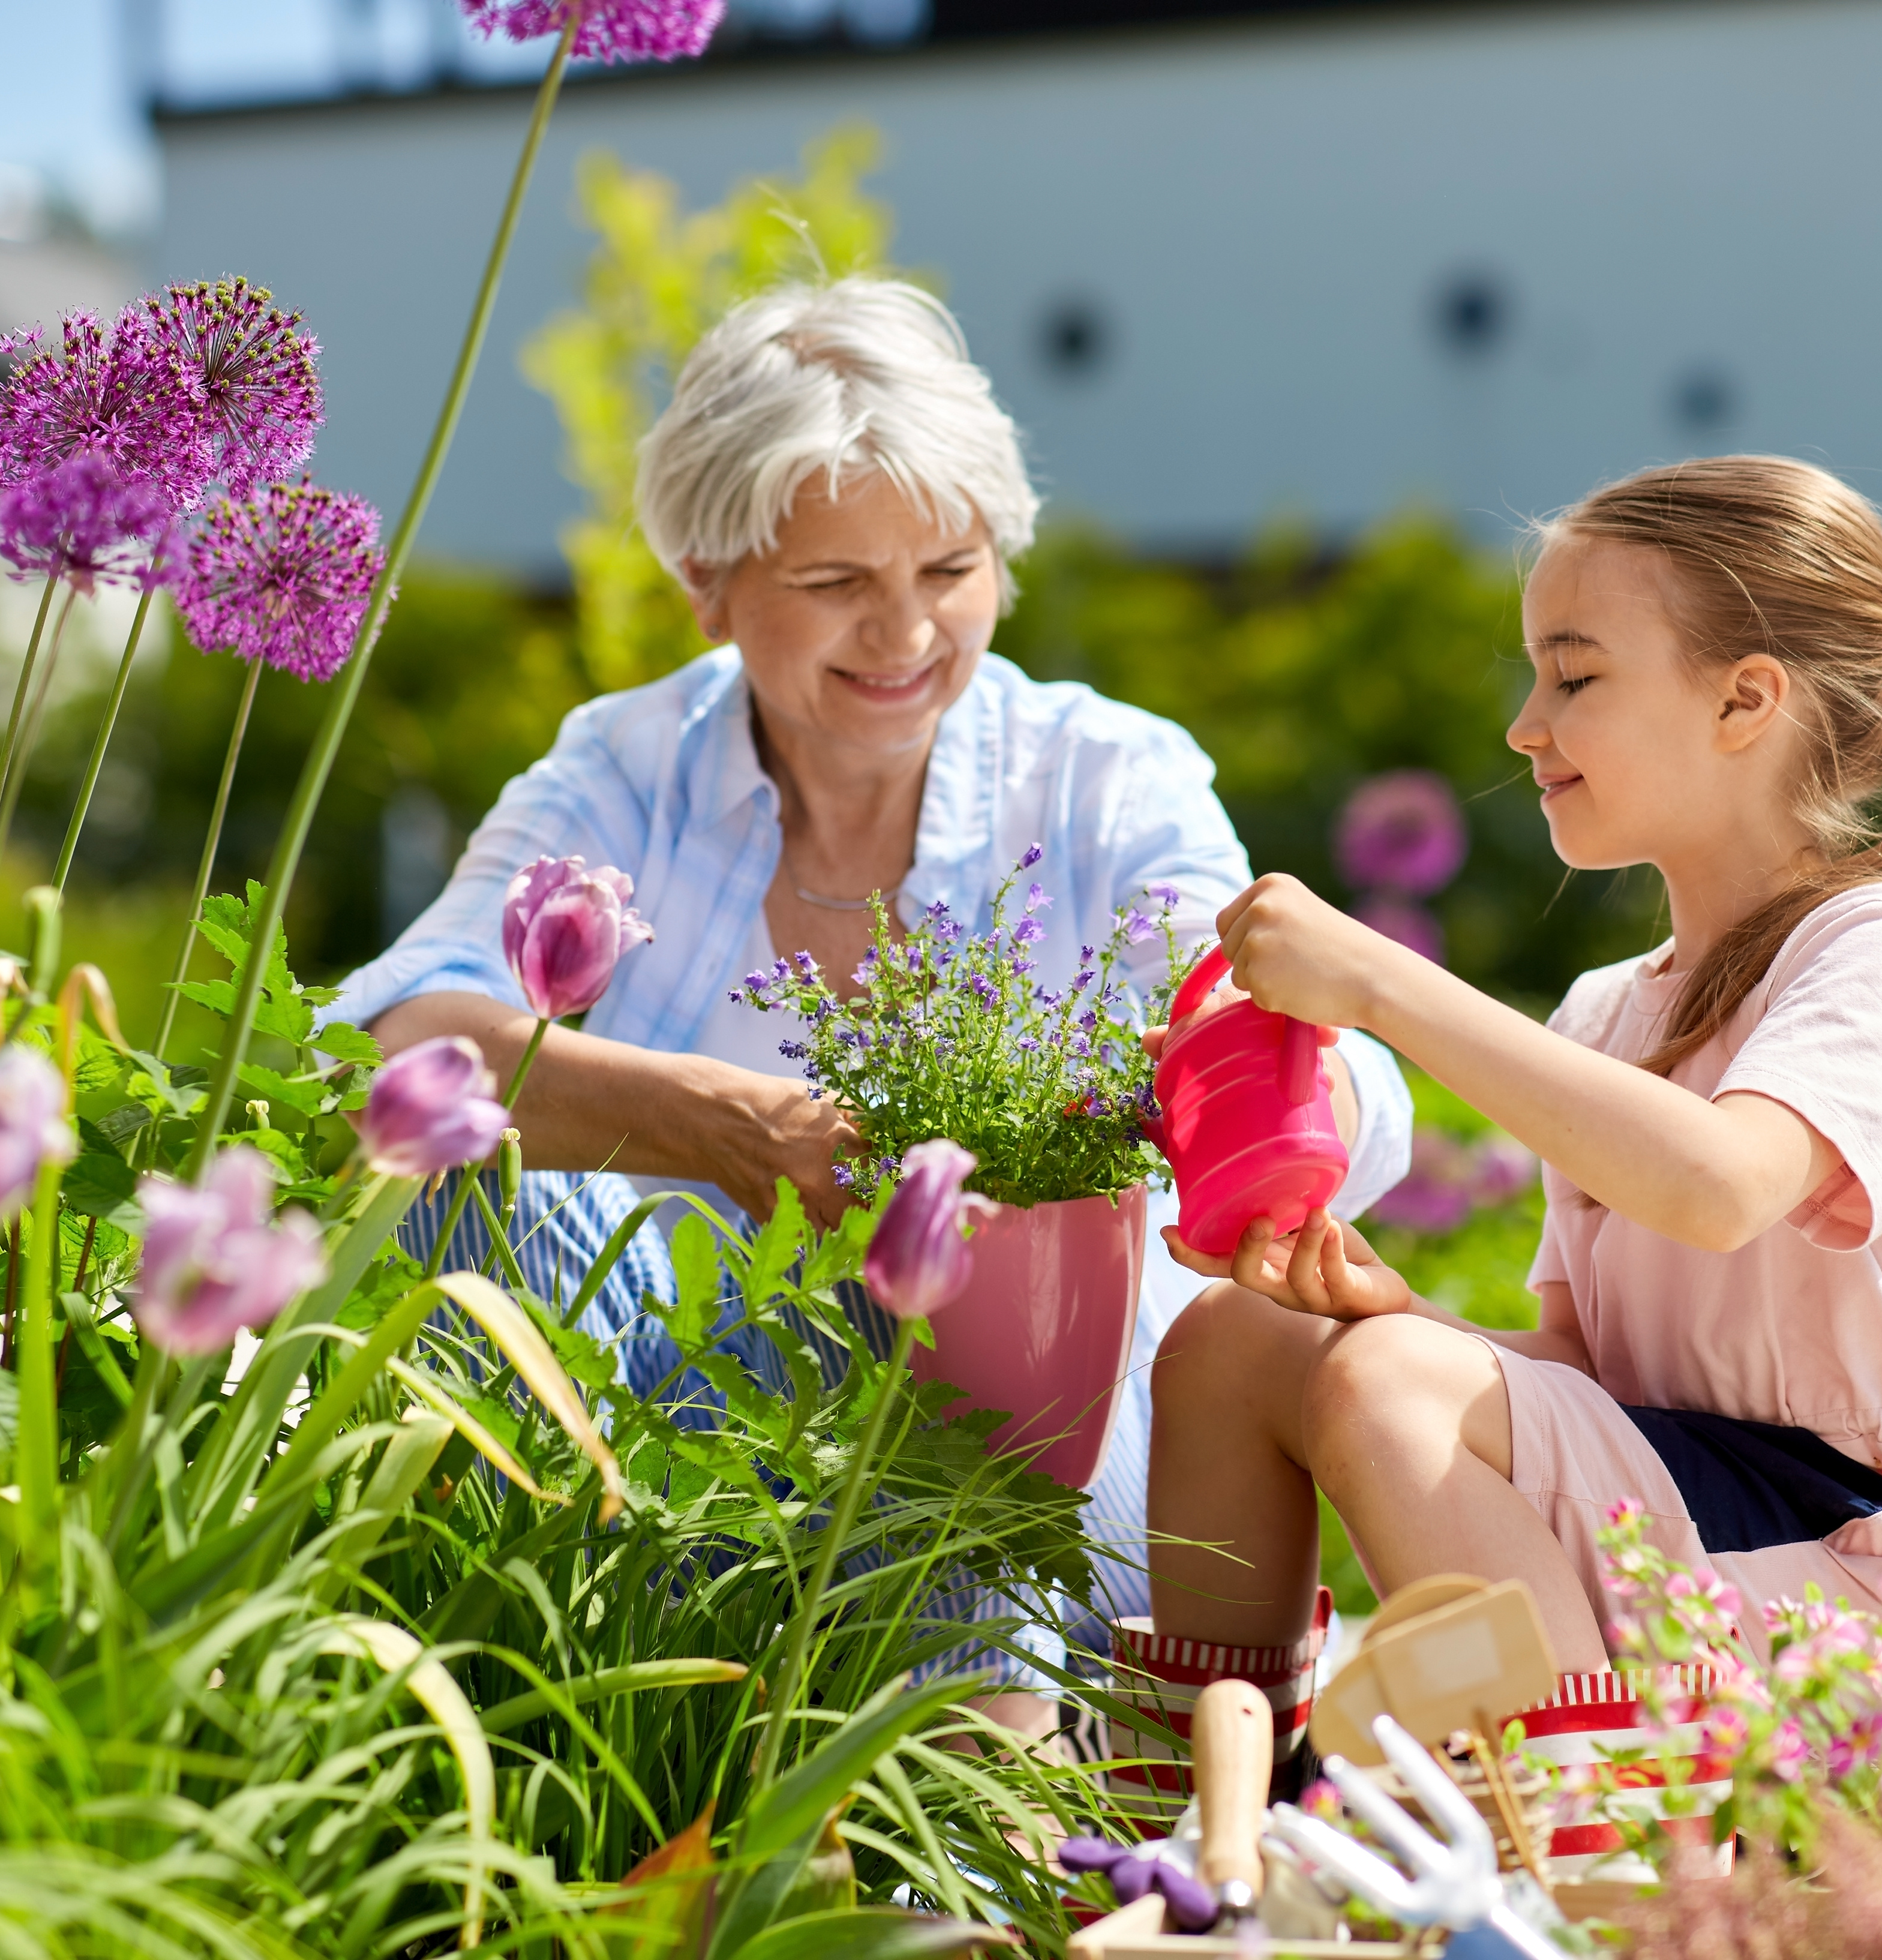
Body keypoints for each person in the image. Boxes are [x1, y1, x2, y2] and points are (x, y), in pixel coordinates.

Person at [326, 277, 1411, 1727]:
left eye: (949, 570)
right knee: (456, 1159)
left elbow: (1270, 1034)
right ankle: (548, 1694)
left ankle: (947, 1832)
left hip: (1036, 1468)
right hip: (676, 1451)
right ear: (708, 584)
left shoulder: (1104, 773)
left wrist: (1254, 1105)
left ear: (1004, 568)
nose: (904, 632)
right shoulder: (630, 763)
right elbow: (397, 1041)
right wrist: (736, 1128)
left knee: (934, 1322)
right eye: (837, 582)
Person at [1128, 455, 1882, 1772]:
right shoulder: (1606, 1008)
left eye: (1575, 676)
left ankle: (1574, 1849)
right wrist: (1393, 1311)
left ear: (1744, 699)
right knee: (1237, 1337)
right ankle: (1203, 1819)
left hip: (1862, 1580)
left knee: (1377, 1384)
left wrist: (1379, 979)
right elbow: (1591, 1369)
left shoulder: (1877, 949)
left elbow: (1716, 1184)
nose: (1525, 726)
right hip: (1696, 1521)